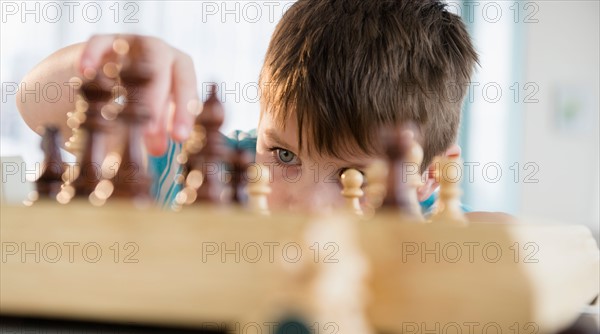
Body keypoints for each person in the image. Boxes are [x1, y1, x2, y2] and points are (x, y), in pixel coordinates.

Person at [17, 0, 510, 220]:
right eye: (284, 155)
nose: (302, 204)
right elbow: (34, 105)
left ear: (431, 177)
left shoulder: (433, 231)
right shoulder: (193, 171)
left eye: (353, 177)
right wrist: (114, 67)